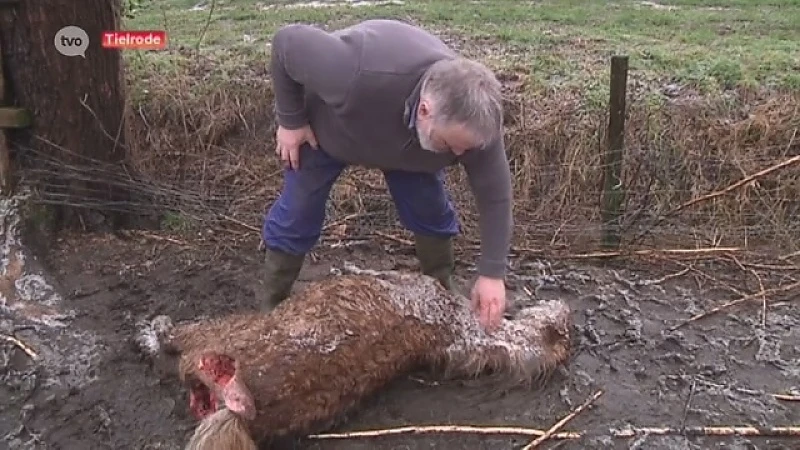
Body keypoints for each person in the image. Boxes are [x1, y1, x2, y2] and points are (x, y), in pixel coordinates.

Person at [262, 19, 513, 332]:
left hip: (411, 152)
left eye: (465, 150)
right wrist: (290, 120)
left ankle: (440, 288)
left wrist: (492, 273)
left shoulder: (477, 124)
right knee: (298, 212)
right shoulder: (353, 71)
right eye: (450, 146)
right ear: (425, 110)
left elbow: (495, 195)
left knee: (429, 209)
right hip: (329, 133)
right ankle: (271, 305)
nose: (460, 157)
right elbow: (287, 42)